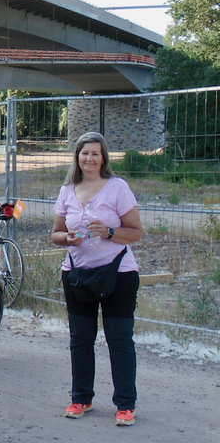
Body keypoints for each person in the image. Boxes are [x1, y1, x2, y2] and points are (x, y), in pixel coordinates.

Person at [52, 132, 143, 427]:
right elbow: (55, 234)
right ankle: (81, 398)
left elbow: (136, 232)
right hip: (77, 273)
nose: (89, 159)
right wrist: (67, 238)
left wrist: (109, 232)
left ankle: (125, 404)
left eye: (95, 154)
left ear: (103, 158)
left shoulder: (117, 188)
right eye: (84, 153)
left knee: (118, 338)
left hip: (118, 274)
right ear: (77, 157)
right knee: (80, 339)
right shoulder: (68, 189)